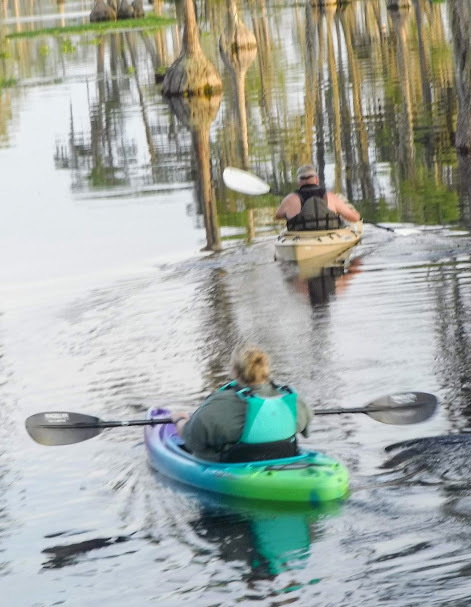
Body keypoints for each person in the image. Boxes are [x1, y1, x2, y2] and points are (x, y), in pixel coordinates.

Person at [170, 345, 313, 463]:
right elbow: (306, 432)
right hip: (285, 459)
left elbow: (191, 438)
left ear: (236, 372)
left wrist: (180, 420)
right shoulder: (293, 399)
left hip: (235, 467)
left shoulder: (219, 404)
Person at [275, 165, 361, 230]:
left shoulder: (290, 199)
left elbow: (278, 216)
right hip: (328, 236)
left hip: (300, 237)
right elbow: (355, 218)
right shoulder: (330, 196)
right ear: (316, 179)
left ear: (299, 182)